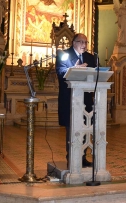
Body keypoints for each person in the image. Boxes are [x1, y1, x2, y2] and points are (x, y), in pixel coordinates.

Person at [55, 33, 96, 167]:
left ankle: (83, 157)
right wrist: (73, 69)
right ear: (74, 43)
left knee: (84, 128)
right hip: (69, 99)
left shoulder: (91, 57)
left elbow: (96, 74)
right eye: (81, 42)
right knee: (72, 128)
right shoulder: (63, 54)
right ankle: (71, 158)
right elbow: (60, 72)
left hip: (86, 99)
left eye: (86, 42)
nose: (84, 45)